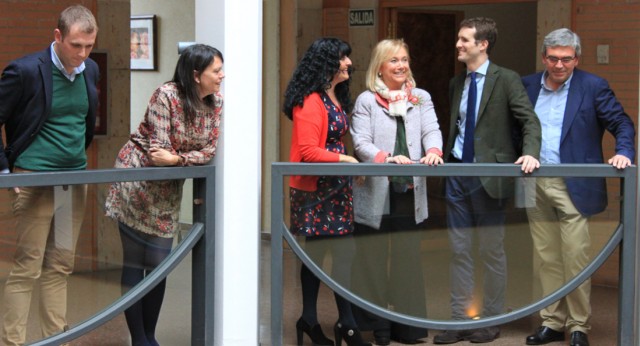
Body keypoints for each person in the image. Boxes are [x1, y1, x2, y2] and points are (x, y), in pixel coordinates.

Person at [521, 28, 635, 346]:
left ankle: (578, 325)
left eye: (566, 59)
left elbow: (622, 122)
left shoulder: (593, 86)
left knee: (575, 257)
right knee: (545, 257)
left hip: (575, 183)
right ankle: (551, 321)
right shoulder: (527, 85)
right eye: (553, 58)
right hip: (534, 182)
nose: (559, 65)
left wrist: (624, 152)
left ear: (577, 58)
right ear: (544, 57)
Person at [104, 44, 223, 346]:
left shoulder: (216, 103)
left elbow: (208, 151)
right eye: (217, 70)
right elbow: (158, 152)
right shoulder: (166, 95)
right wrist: (179, 158)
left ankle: (149, 336)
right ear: (196, 75)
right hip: (138, 181)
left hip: (169, 189)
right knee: (135, 262)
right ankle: (140, 339)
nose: (222, 76)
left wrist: (179, 160)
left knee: (159, 263)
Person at [433, 17, 542, 344]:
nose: (458, 45)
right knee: (459, 250)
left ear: (483, 44)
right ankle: (459, 321)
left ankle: (492, 320)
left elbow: (529, 123)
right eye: (458, 39)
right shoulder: (457, 83)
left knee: (491, 251)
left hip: (490, 179)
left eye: (464, 40)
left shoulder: (506, 79)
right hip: (456, 175)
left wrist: (531, 153)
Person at [0, 5, 98, 345]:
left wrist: (76, 158)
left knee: (59, 266)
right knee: (27, 268)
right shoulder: (25, 71)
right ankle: (12, 342)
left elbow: (85, 125)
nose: (82, 53)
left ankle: (55, 340)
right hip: (33, 181)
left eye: (88, 46)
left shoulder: (91, 70)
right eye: (75, 45)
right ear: (57, 37)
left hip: (73, 183)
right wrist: (7, 172)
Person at [349, 38, 442, 345]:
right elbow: (360, 142)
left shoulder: (421, 98)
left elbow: (432, 129)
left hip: (408, 191)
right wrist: (385, 159)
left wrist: (433, 150)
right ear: (380, 66)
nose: (401, 65)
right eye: (394, 61)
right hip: (376, 189)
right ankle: (375, 327)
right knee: (371, 258)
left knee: (407, 257)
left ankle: (409, 328)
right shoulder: (366, 100)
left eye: (404, 59)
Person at [283, 37, 370, 346]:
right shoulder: (309, 99)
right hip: (316, 189)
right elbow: (308, 151)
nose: (348, 63)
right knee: (321, 258)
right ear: (327, 63)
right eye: (343, 58)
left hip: (335, 186)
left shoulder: (333, 95)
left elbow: (330, 141)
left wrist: (347, 165)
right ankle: (339, 323)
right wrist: (346, 159)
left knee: (339, 256)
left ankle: (316, 320)